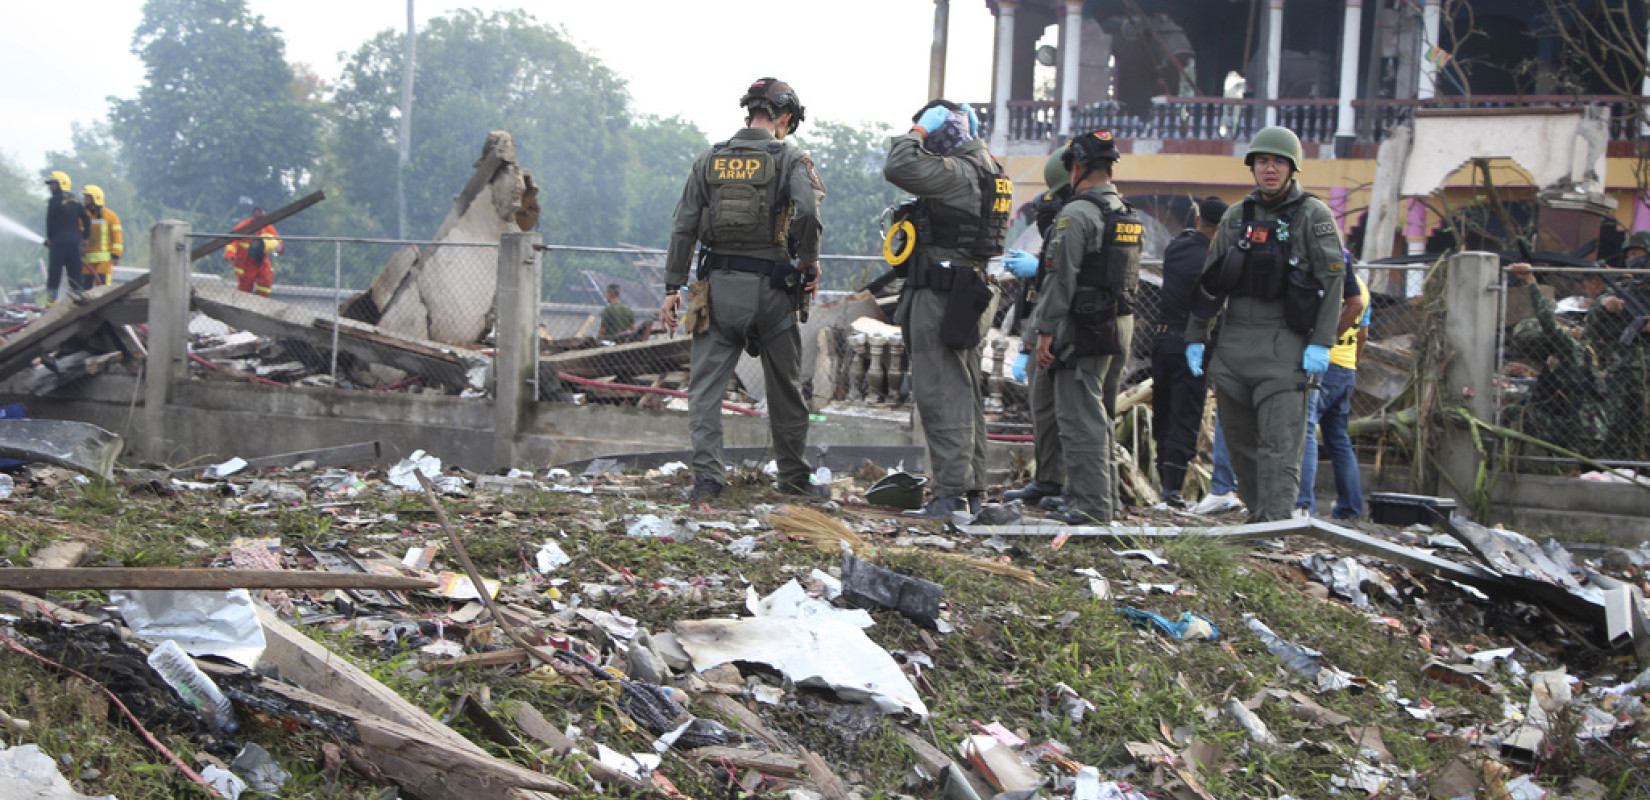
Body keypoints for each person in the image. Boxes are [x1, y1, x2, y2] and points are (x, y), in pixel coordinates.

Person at [657, 77, 824, 501]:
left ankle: (708, 480)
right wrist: (807, 261)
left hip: (716, 292)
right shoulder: (790, 158)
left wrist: (672, 286)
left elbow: (684, 226)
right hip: (773, 292)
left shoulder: (709, 159)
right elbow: (807, 211)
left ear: (749, 112)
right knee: (785, 389)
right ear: (784, 117)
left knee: (705, 389)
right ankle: (793, 480)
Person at [1185, 125, 1346, 522]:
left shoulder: (1313, 215)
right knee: (1239, 443)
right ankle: (1259, 515)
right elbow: (1211, 280)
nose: (1269, 169)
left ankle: (1275, 523)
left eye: (1277, 162)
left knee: (1280, 444)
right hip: (1236, 344)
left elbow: (1334, 279)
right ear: (1252, 167)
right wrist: (1196, 337)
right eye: (1261, 161)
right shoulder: (1238, 216)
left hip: (1285, 344)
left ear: (1292, 167)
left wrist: (1322, 341)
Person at [883, 99, 1012, 519]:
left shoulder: (960, 172)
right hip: (967, 290)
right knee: (964, 391)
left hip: (944, 292)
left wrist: (918, 133)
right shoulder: (991, 168)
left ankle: (950, 495)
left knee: (940, 393)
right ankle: (971, 490)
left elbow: (899, 166)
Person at [1025, 130, 1143, 525]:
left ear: (1076, 168)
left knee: (1080, 418)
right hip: (1118, 321)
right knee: (1100, 414)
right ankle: (1093, 496)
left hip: (1085, 326)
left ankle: (1092, 507)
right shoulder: (1124, 212)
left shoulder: (1077, 214)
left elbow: (1062, 280)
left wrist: (1045, 331)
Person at [1003, 147, 1072, 509]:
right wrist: (1026, 346)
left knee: (1071, 415)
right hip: (1044, 332)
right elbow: (1036, 299)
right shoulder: (1057, 232)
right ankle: (1048, 480)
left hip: (1071, 332)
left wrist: (1042, 269)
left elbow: (1064, 284)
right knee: (1044, 410)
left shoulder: (1082, 220)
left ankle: (1072, 488)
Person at [1151, 195, 1226, 508]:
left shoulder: (1176, 248)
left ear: (1198, 221)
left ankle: (1162, 487)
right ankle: (1172, 490)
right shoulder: (1214, 260)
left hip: (1163, 339)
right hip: (1193, 343)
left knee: (1164, 411)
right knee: (1186, 414)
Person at [1504, 261, 1606, 456]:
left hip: (1579, 433)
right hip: (1589, 431)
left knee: (1523, 416)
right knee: (1522, 409)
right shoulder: (1576, 354)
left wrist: (1531, 282)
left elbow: (1546, 319)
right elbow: (1537, 396)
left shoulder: (1569, 348)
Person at [1295, 269, 1369, 519]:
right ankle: (1350, 508)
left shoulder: (1328, 283)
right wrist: (1352, 368)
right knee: (1338, 439)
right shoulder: (1362, 288)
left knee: (1306, 430)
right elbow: (1363, 334)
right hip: (1347, 368)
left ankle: (1303, 503)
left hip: (1323, 364)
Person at [42, 171, 90, 305]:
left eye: (53, 184)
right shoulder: (75, 200)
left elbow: (49, 222)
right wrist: (85, 237)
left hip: (58, 244)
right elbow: (86, 219)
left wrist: (49, 240)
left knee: (54, 273)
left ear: (61, 184)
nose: (51, 187)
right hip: (74, 243)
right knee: (75, 272)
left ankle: (51, 302)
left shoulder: (54, 200)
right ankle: (78, 300)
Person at [224, 205, 283, 296]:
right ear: (255, 215)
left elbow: (278, 240)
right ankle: (242, 304)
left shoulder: (267, 226)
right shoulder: (244, 226)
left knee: (266, 280)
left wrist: (279, 248)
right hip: (247, 262)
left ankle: (262, 303)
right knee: (245, 286)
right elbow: (232, 240)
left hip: (262, 260)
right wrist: (230, 254)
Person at [80, 185, 123, 287]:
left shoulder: (110, 216)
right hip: (87, 259)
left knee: (102, 289)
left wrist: (116, 254)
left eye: (88, 197)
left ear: (96, 199)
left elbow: (117, 236)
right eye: (85, 197)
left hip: (104, 260)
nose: (85, 200)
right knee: (86, 290)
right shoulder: (83, 216)